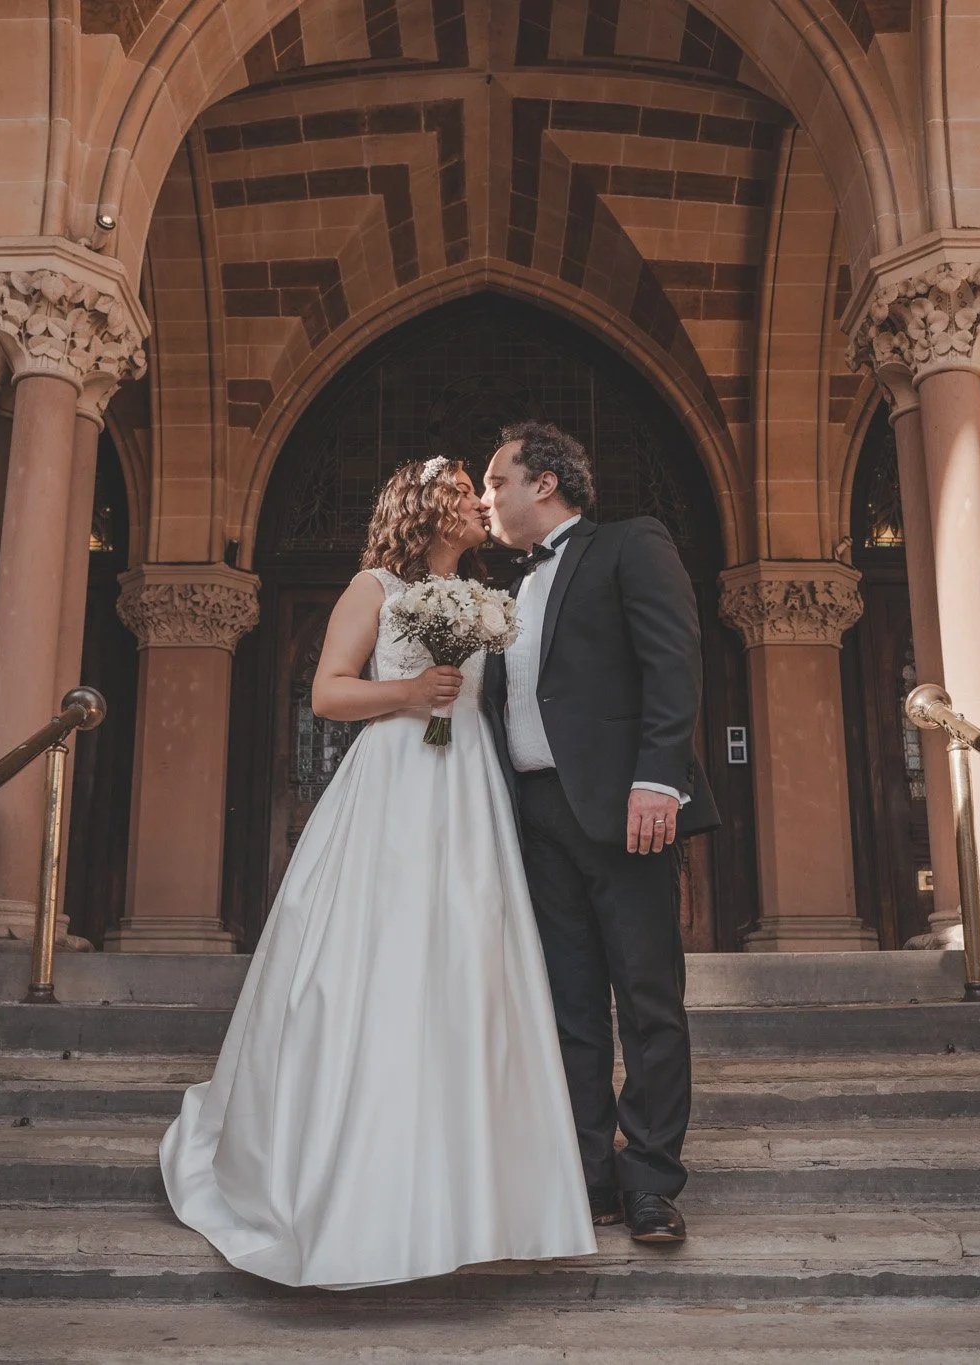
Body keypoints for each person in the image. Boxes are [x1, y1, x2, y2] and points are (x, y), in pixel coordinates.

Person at [159, 456, 596, 1290]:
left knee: (469, 965)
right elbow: (327, 694)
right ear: (425, 507)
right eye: (463, 493)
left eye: (480, 493)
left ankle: (480, 1197)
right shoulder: (375, 588)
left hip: (469, 795)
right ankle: (353, 1179)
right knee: (379, 961)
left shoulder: (482, 599)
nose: (478, 504)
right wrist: (406, 694)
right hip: (395, 782)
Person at [480, 420, 718, 1245]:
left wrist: (660, 778)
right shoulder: (505, 590)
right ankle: (591, 1176)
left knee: (648, 996)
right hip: (537, 816)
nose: (487, 498)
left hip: (625, 808)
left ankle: (651, 1177)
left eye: (497, 481)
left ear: (544, 483)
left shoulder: (630, 545)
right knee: (572, 1005)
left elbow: (673, 659)